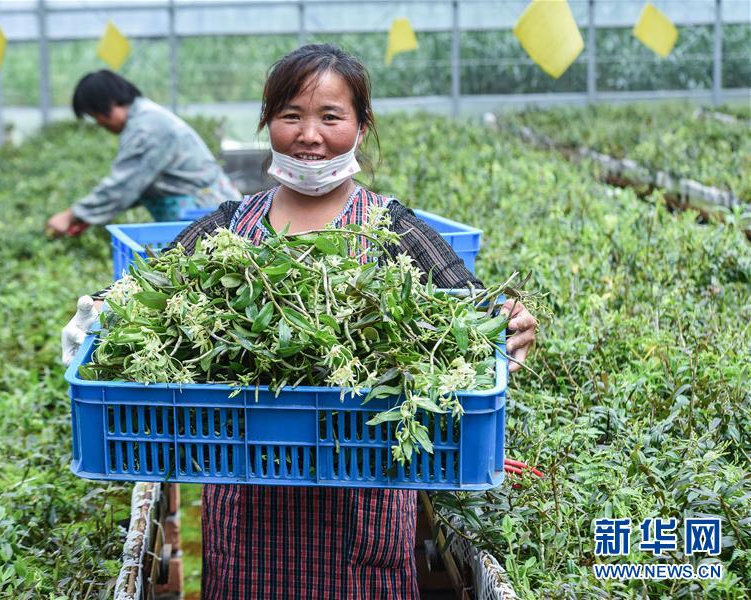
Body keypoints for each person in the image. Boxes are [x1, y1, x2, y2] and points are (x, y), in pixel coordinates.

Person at [62, 45, 537, 598]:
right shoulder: (233, 226)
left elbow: (469, 303)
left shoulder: (389, 227)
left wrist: (507, 319)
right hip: (247, 497)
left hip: (362, 498)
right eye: (291, 116)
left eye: (331, 117)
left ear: (362, 126)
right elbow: (151, 284)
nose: (309, 135)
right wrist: (97, 312)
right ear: (268, 124)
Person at [45, 70, 241, 237]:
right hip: (200, 211)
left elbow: (123, 185)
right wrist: (89, 216)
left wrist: (70, 215)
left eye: (95, 116)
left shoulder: (146, 129)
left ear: (107, 105)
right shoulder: (144, 119)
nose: (99, 124)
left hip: (207, 213)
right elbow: (137, 186)